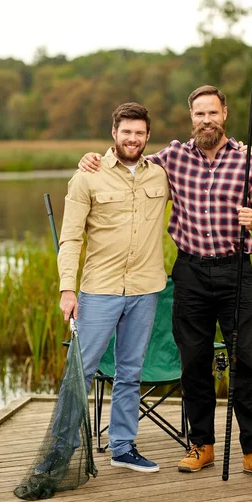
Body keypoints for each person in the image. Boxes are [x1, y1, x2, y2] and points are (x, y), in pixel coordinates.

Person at [79, 85, 252, 481]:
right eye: (198, 114)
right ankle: (201, 445)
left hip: (236, 271)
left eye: (212, 113)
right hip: (190, 272)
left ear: (224, 113)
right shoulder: (171, 158)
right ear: (190, 117)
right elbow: (129, 164)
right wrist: (94, 158)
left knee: (248, 361)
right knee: (193, 362)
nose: (206, 120)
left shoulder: (249, 162)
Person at [57, 101, 170, 473]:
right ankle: (63, 449)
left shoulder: (161, 175)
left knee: (130, 372)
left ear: (148, 136)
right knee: (82, 370)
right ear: (114, 134)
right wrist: (67, 290)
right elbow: (71, 239)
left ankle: (123, 447)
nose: (133, 139)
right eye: (126, 132)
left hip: (145, 289)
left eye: (139, 133)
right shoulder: (87, 176)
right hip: (99, 290)